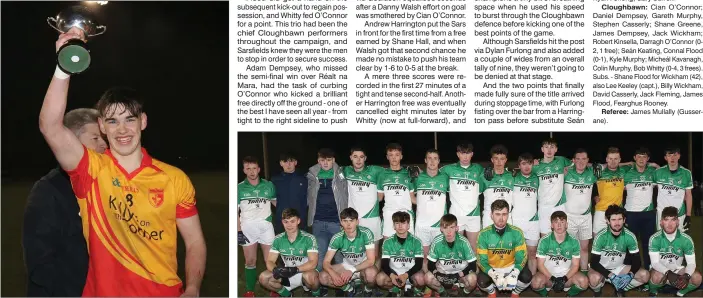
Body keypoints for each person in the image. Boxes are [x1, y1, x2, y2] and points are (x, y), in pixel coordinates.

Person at [39, 30, 206, 297]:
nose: (122, 129)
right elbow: (50, 126)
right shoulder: (90, 169)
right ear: (102, 126)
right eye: (113, 121)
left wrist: (193, 288)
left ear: (143, 121)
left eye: (130, 119)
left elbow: (195, 241)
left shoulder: (174, 178)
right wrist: (63, 66)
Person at [23, 108, 107, 297]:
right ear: (72, 141)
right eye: (96, 138)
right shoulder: (48, 191)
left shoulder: (104, 184)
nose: (104, 144)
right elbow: (40, 263)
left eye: (104, 138)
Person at [588, 205, 650, 296]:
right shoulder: (600, 236)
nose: (617, 223)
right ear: (607, 221)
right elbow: (594, 262)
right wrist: (610, 275)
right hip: (601, 269)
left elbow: (637, 260)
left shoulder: (630, 236)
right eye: (613, 220)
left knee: (645, 275)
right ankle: (597, 291)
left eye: (620, 219)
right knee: (594, 279)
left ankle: (621, 287)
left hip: (618, 268)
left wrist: (630, 274)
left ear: (624, 220)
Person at [259, 208, 321, 297]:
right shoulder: (278, 239)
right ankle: (287, 295)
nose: (289, 225)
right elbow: (270, 261)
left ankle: (316, 294)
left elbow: (313, 263)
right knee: (263, 278)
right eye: (286, 222)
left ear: (298, 221)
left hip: (304, 272)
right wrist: (275, 270)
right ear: (282, 222)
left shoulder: (309, 238)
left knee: (310, 277)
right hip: (287, 273)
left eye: (292, 221)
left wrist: (295, 269)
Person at [238, 156, 277, 297]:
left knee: (270, 260)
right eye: (248, 168)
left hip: (266, 227)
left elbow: (276, 204)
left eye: (254, 168)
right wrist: (238, 231)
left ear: (259, 169)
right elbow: (235, 212)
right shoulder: (239, 188)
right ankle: (250, 291)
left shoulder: (268, 185)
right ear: (244, 170)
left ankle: (275, 289)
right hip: (247, 228)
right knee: (250, 261)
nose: (252, 171)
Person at [477, 199, 532, 298]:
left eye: (504, 214)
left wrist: (515, 273)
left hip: (511, 268)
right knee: (481, 280)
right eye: (497, 214)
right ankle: (492, 292)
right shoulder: (483, 234)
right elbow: (481, 260)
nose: (501, 218)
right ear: (491, 215)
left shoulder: (517, 232)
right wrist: (494, 274)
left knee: (527, 276)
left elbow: (522, 257)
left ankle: (515, 293)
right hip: (493, 268)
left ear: (508, 215)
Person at [306, 148, 348, 273]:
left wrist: (344, 220)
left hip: (336, 222)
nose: (325, 163)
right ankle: (319, 286)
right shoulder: (311, 175)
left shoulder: (341, 175)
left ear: (333, 160)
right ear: (318, 161)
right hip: (318, 222)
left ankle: (343, 287)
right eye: (322, 160)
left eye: (328, 160)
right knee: (319, 256)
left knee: (339, 256)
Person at [319, 208, 378, 296]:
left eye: (351, 221)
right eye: (345, 221)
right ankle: (349, 289)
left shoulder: (366, 233)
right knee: (323, 277)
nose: (348, 224)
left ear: (357, 222)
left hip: (363, 266)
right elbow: (326, 262)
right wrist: (333, 274)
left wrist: (352, 270)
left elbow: (371, 261)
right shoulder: (337, 237)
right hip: (347, 265)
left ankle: (367, 289)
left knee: (371, 273)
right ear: (341, 222)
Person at [439, 142, 484, 255]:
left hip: (473, 215)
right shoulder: (448, 169)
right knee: (456, 247)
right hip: (456, 215)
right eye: (462, 153)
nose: (465, 157)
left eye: (468, 153)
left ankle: (473, 271)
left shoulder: (478, 169)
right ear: (458, 154)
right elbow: (432, 172)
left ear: (472, 154)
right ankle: (456, 271)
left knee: (474, 248)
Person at [531, 211, 589, 297]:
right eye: (556, 222)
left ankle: (569, 295)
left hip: (567, 277)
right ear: (551, 225)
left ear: (566, 224)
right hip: (549, 277)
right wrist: (553, 279)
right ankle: (545, 295)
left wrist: (564, 279)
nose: (559, 225)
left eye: (562, 222)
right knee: (535, 282)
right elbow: (540, 265)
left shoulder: (574, 241)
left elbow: (575, 265)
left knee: (584, 281)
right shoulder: (544, 241)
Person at [647, 206, 702, 297]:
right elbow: (655, 263)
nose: (670, 224)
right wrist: (668, 273)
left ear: (677, 222)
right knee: (657, 276)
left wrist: (686, 276)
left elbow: (691, 263)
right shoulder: (655, 238)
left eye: (673, 220)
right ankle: (653, 291)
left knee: (697, 278)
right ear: (661, 222)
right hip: (660, 271)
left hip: (677, 270)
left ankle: (680, 293)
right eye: (666, 220)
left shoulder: (686, 239)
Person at [341, 147, 384, 257]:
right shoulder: (345, 171)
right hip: (352, 219)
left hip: (372, 218)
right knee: (355, 252)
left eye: (361, 157)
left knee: (374, 255)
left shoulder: (376, 170)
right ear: (350, 158)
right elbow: (329, 169)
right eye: (355, 157)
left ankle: (373, 274)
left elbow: (393, 171)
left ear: (365, 158)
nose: (358, 160)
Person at [424, 214, 478, 297]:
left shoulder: (464, 242)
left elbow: (473, 265)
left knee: (473, 279)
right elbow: (430, 264)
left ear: (457, 228)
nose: (449, 232)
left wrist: (459, 275)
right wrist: (437, 274)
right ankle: (442, 291)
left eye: (452, 227)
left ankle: (463, 293)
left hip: (460, 273)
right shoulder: (437, 242)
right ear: (441, 229)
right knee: (427, 277)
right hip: (444, 273)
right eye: (445, 228)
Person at [622, 147, 658, 270]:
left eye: (644, 157)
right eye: (639, 156)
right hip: (631, 213)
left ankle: (648, 268)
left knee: (647, 244)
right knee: (630, 244)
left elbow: (664, 172)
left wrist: (655, 165)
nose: (641, 159)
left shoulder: (652, 172)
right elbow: (613, 166)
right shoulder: (627, 172)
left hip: (648, 214)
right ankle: (629, 270)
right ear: (634, 158)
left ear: (648, 159)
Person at [414, 149, 449, 272]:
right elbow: (410, 197)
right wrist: (423, 204)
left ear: (439, 161)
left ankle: (439, 282)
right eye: (429, 158)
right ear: (425, 160)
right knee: (425, 257)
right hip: (422, 225)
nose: (432, 161)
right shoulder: (418, 178)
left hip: (439, 225)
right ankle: (428, 285)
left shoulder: (445, 178)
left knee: (440, 257)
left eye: (435, 158)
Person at [562, 149, 597, 273]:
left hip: (586, 217)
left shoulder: (593, 173)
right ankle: (569, 273)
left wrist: (630, 163)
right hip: (569, 216)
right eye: (578, 159)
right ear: (573, 160)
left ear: (588, 161)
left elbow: (612, 165)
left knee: (584, 247)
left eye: (584, 159)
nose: (581, 161)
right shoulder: (566, 172)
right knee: (570, 247)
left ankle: (583, 272)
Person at [376, 211, 426, 296]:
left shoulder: (417, 241)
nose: (400, 226)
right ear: (393, 226)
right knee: (380, 279)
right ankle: (394, 289)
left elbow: (418, 264)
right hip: (394, 274)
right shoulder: (388, 242)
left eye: (403, 223)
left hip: (410, 273)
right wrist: (392, 276)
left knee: (421, 279)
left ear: (408, 225)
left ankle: (412, 288)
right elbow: (384, 264)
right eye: (397, 223)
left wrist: (406, 275)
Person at [533, 138, 573, 237]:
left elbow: (578, 164)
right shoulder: (535, 166)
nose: (549, 150)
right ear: (542, 149)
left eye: (552, 147)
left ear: (556, 149)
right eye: (546, 147)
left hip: (559, 205)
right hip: (543, 206)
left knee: (561, 234)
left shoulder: (561, 160)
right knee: (544, 236)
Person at [377, 143, 416, 238]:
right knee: (388, 245)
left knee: (408, 247)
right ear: (387, 157)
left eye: (397, 155)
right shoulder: (382, 175)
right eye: (391, 155)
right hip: (389, 213)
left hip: (406, 214)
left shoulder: (408, 174)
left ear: (401, 156)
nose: (394, 158)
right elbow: (379, 198)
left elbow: (413, 199)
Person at [511, 153, 540, 275]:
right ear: (519, 166)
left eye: (529, 163)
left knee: (532, 253)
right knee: (517, 254)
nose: (527, 166)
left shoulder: (537, 178)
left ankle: (532, 281)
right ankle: (515, 279)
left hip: (533, 222)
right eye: (523, 164)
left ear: (533, 164)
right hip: (517, 222)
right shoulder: (513, 179)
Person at [654, 147, 693, 232]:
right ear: (665, 157)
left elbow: (688, 195)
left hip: (679, 214)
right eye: (669, 155)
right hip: (662, 214)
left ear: (679, 156)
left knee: (679, 242)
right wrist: (652, 164)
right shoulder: (658, 172)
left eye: (675, 155)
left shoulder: (686, 173)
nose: (672, 158)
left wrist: (688, 215)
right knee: (663, 242)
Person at [593, 147, 628, 235]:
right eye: (610, 159)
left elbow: (637, 164)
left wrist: (654, 164)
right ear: (606, 159)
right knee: (597, 241)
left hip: (617, 212)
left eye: (616, 159)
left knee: (617, 242)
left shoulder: (624, 171)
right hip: (601, 211)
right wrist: (595, 196)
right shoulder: (599, 171)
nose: (613, 161)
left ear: (620, 160)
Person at [271, 152, 307, 233]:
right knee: (282, 244)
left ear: (295, 162)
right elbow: (272, 198)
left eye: (291, 161)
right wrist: (282, 207)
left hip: (300, 219)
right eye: (285, 161)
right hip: (282, 220)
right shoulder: (275, 180)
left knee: (300, 244)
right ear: (281, 163)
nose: (288, 164)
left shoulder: (304, 179)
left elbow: (309, 198)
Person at [481, 144, 514, 228]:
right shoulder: (483, 176)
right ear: (492, 160)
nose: (499, 162)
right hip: (489, 218)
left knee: (508, 241)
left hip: (507, 217)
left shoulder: (512, 176)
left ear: (506, 160)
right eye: (496, 158)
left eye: (502, 159)